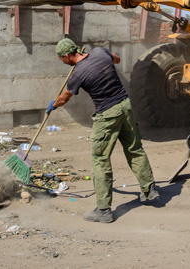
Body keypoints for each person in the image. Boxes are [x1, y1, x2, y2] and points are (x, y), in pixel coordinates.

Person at [47, 38, 159, 223]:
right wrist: (104, 61)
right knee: (134, 148)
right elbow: (117, 58)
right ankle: (149, 189)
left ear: (67, 56)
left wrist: (54, 104)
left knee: (100, 159)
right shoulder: (99, 52)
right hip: (125, 105)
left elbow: (64, 98)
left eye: (61, 59)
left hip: (107, 114)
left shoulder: (77, 74)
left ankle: (103, 210)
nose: (62, 62)